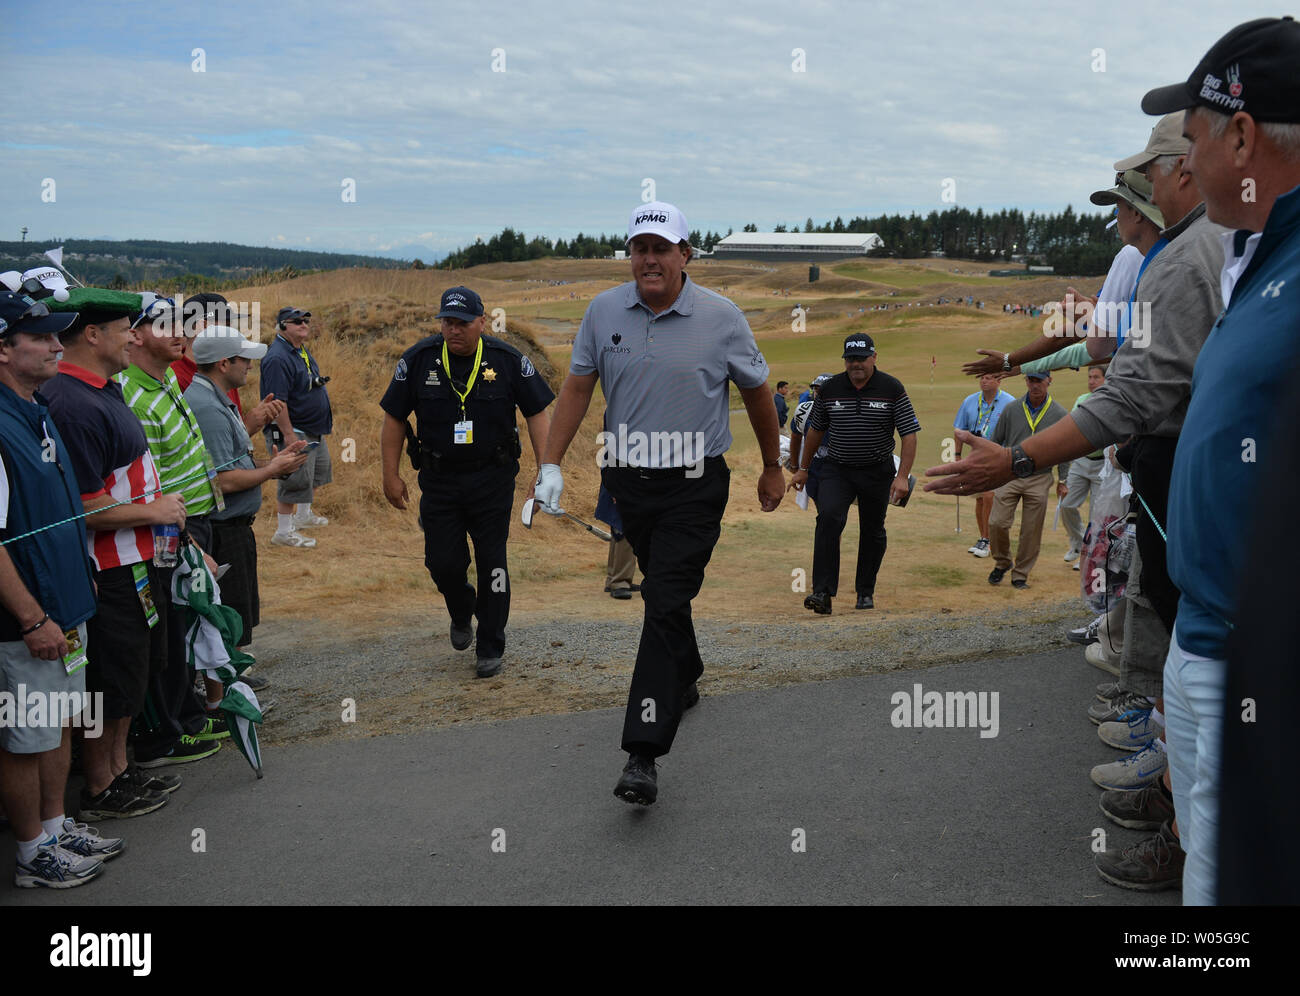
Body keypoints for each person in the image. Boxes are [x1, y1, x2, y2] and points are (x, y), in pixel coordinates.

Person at [534, 200, 784, 806]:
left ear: (684, 255)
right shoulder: (602, 312)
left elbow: (756, 393)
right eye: (639, 248)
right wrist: (548, 463)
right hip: (628, 483)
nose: (649, 258)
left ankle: (642, 752)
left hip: (696, 484)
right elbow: (575, 388)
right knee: (666, 597)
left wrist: (775, 466)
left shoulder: (721, 317)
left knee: (662, 598)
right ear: (631, 255)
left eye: (661, 248)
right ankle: (687, 671)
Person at [1143, 14, 1300, 904]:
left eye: (1194, 137)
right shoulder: (1254, 253)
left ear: (1241, 135)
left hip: (1254, 660)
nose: (1186, 160)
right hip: (1206, 638)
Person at [42, 289, 188, 818]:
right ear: (92, 334)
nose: (135, 336)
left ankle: (120, 771)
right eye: (127, 328)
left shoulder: (104, 389)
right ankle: (101, 785)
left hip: (138, 560)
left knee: (135, 671)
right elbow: (81, 507)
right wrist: (155, 513)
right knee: (111, 677)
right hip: (108, 567)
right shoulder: (71, 402)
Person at [380, 286, 553, 678]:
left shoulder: (507, 361)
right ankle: (461, 610)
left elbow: (537, 413)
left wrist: (545, 471)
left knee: (493, 561)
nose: (453, 330)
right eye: (447, 322)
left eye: (461, 322)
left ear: (482, 321)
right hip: (439, 481)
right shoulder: (419, 361)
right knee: (442, 562)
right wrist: (390, 474)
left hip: (493, 479)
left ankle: (491, 644)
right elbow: (394, 418)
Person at [0, 291, 113, 887]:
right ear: (1, 349)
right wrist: (29, 617)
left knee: (60, 718)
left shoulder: (37, 408)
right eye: (40, 337)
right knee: (24, 737)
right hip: (29, 621)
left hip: (66, 603)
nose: (54, 345)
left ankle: (54, 824)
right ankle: (30, 853)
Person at [115, 295, 226, 765]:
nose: (180, 332)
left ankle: (191, 713)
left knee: (188, 617)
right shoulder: (131, 394)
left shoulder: (165, 381)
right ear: (135, 335)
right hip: (169, 530)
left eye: (181, 322)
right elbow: (149, 489)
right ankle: (169, 729)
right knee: (171, 624)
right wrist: (183, 542)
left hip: (194, 518)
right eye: (165, 324)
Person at [185, 326, 309, 689]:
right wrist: (273, 469)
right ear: (224, 364)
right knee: (228, 613)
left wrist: (269, 457)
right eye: (245, 360)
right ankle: (225, 690)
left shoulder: (214, 399)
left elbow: (230, 461)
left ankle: (229, 680)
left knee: (236, 611)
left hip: (232, 524)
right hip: (224, 527)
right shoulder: (208, 406)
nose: (250, 367)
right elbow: (221, 479)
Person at [789, 334, 919, 612]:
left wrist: (902, 476)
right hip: (838, 469)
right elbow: (815, 431)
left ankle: (865, 591)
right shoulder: (831, 388)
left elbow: (909, 433)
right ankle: (822, 593)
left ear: (874, 357)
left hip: (877, 470)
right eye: (850, 359)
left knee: (872, 530)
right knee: (828, 518)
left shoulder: (892, 387)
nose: (856, 364)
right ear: (845, 361)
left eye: (861, 358)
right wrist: (803, 469)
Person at [984, 373, 1069, 589]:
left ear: (1049, 381)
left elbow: (1065, 449)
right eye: (1031, 380)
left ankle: (1020, 574)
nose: (1034, 385)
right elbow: (995, 442)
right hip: (1010, 474)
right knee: (997, 522)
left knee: (1031, 530)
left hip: (1040, 477)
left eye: (1039, 381)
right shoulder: (1012, 409)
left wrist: (1063, 479)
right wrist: (992, 470)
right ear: (1026, 382)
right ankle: (1002, 562)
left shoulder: (1060, 414)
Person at [259, 305, 332, 548]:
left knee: (316, 472)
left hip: (311, 427)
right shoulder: (278, 357)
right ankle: (284, 531)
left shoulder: (297, 350)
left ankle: (303, 515)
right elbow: (278, 400)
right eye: (297, 321)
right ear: (282, 326)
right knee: (294, 479)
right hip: (294, 429)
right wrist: (289, 435)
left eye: (306, 321)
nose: (303, 325)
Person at [951, 372, 1014, 558]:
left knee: (989, 496)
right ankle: (983, 538)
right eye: (982, 378)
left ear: (999, 380)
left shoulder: (1009, 402)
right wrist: (957, 455)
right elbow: (959, 430)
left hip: (999, 457)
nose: (984, 381)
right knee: (979, 498)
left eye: (989, 378)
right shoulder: (970, 401)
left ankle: (987, 540)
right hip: (975, 457)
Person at [1059, 365, 1107, 565]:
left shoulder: (1110, 402)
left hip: (1102, 464)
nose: (1091, 380)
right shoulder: (1081, 400)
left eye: (1096, 377)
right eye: (1089, 377)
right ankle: (1078, 543)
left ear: (1106, 380)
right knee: (1067, 504)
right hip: (1080, 461)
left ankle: (1088, 554)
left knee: (1096, 513)